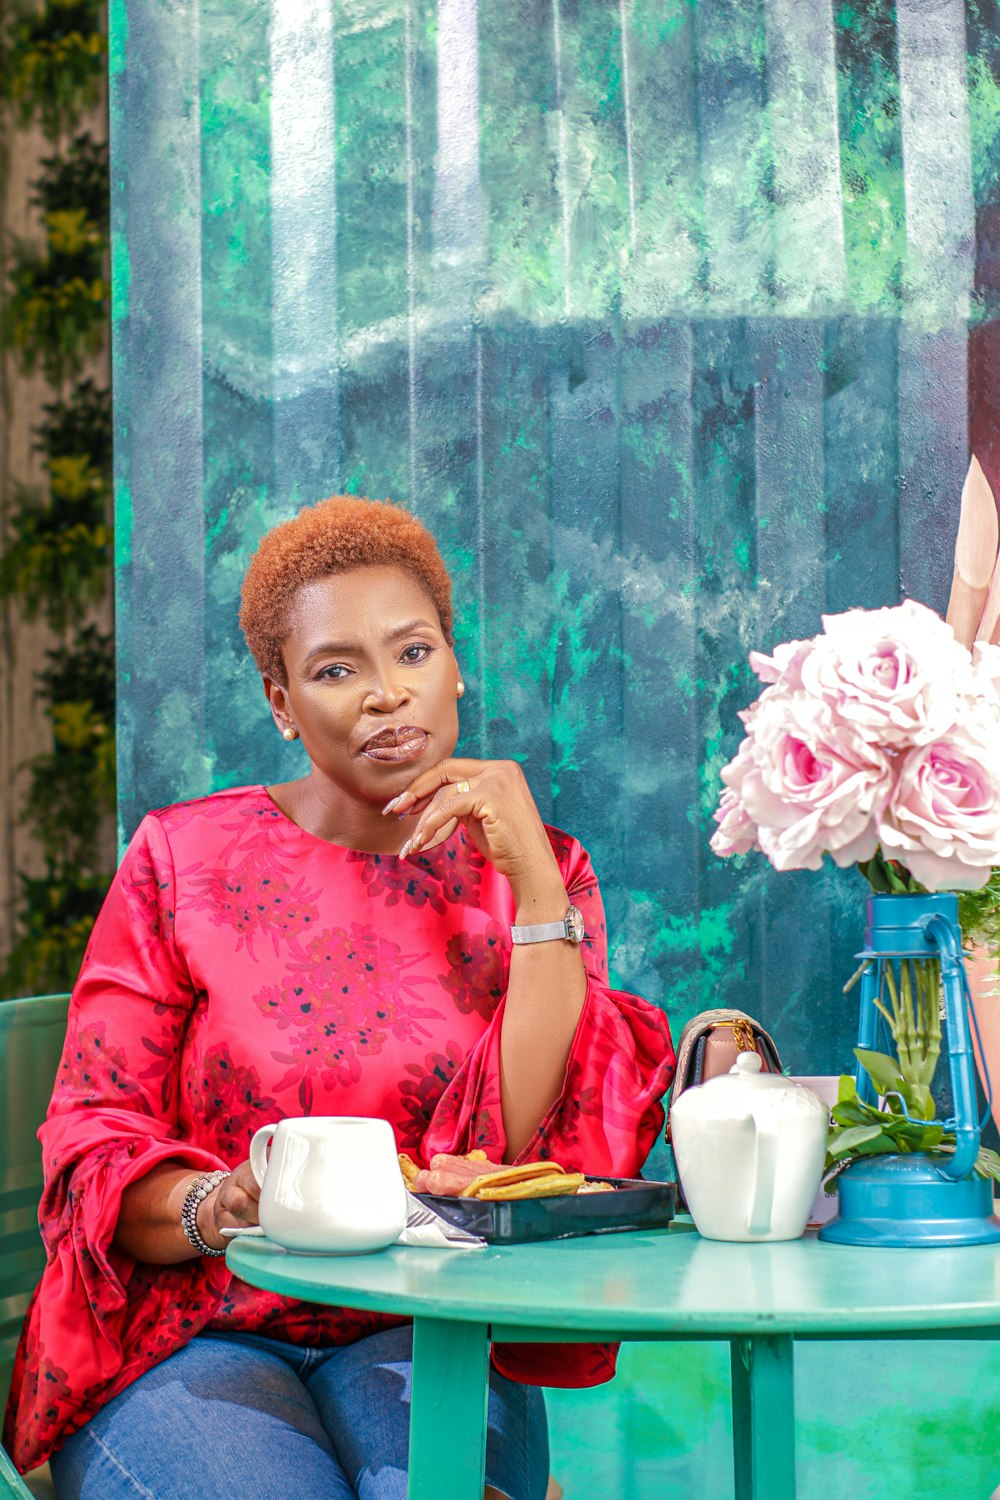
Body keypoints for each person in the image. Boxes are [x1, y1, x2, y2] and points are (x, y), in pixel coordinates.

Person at [4, 496, 675, 1499]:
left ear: (455, 665)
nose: (384, 695)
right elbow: (92, 1136)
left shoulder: (545, 874)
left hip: (429, 1330)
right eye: (333, 670)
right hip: (193, 1330)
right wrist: (210, 1205)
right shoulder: (181, 860)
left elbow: (521, 1156)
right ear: (281, 703)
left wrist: (535, 887)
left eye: (411, 653)